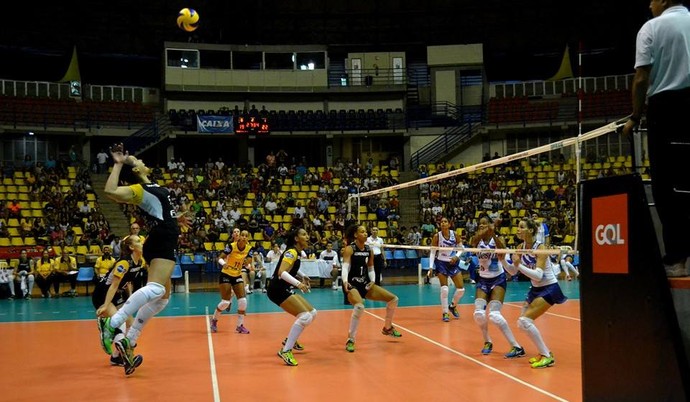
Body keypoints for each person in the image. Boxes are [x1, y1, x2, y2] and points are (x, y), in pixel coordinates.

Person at [97, 143, 191, 376]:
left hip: (165, 234)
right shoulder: (138, 189)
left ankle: (129, 339)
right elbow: (110, 191)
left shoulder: (153, 185)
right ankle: (113, 323)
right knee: (156, 288)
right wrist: (119, 164)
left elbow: (159, 210)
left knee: (162, 298)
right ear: (137, 172)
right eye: (139, 163)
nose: (142, 162)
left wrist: (175, 218)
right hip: (162, 237)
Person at [622, 0, 690, 276]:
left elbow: (641, 78)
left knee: (666, 184)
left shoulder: (652, 27)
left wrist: (635, 116)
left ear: (663, 0)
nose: (649, 4)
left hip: (667, 107)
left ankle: (677, 259)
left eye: (652, 0)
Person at [502, 218, 567, 369]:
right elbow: (512, 272)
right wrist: (504, 262)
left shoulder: (540, 248)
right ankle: (543, 352)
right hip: (536, 289)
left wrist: (518, 264)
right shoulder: (520, 247)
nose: (517, 229)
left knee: (525, 321)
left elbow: (538, 275)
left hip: (549, 287)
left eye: (521, 227)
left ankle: (547, 356)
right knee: (521, 323)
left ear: (531, 230)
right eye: (517, 227)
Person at [341, 224, 402, 353]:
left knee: (393, 299)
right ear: (356, 235)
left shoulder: (369, 249)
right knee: (360, 306)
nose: (365, 234)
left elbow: (370, 267)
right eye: (362, 232)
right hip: (351, 283)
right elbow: (345, 267)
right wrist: (345, 281)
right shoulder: (349, 249)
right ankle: (351, 340)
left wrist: (373, 281)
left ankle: (387, 327)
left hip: (365, 283)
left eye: (365, 232)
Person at [470, 215, 525, 358]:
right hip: (482, 279)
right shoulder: (477, 240)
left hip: (498, 280)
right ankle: (487, 341)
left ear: (490, 225)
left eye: (484, 224)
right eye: (480, 224)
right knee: (479, 314)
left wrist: (493, 232)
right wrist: (485, 232)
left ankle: (516, 346)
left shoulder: (498, 239)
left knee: (495, 315)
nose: (481, 226)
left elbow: (503, 249)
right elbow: (472, 244)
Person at [93, 235, 145, 368]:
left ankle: (116, 357)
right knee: (118, 322)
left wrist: (132, 299)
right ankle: (128, 359)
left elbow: (128, 283)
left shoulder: (140, 262)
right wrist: (105, 305)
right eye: (138, 241)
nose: (142, 242)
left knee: (131, 324)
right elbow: (114, 285)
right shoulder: (124, 263)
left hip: (117, 295)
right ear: (131, 247)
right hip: (103, 294)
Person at [267, 228, 316, 366]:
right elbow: (281, 272)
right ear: (296, 238)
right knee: (305, 316)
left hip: (283, 288)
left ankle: (290, 341)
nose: (307, 236)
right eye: (304, 234)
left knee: (312, 313)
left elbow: (291, 266)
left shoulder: (297, 252)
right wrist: (299, 283)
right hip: (277, 289)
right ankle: (286, 350)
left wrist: (302, 275)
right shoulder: (291, 252)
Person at [209, 229, 254, 334]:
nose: (243, 237)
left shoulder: (249, 248)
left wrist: (249, 266)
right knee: (225, 302)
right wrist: (223, 263)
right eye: (242, 235)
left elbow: (248, 262)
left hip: (237, 275)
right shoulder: (231, 246)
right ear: (239, 237)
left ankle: (239, 326)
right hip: (226, 274)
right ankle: (214, 320)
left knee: (243, 301)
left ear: (248, 238)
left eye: (246, 236)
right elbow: (219, 258)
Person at [429, 217, 466, 322]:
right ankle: (445, 312)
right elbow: (432, 252)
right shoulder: (437, 236)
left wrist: (456, 256)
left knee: (461, 289)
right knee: (444, 289)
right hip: (441, 263)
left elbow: (461, 248)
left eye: (445, 221)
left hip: (452, 263)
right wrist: (431, 267)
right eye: (441, 222)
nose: (443, 223)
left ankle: (453, 306)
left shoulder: (455, 235)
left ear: (449, 224)